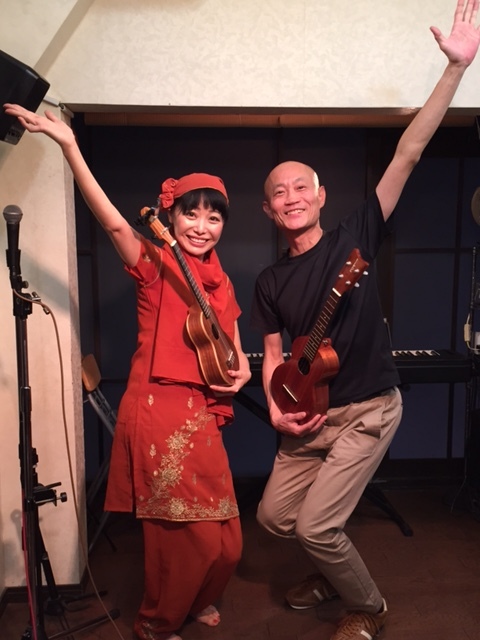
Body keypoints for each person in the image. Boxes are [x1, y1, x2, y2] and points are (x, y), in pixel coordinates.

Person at [250, 1, 480, 639]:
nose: (291, 197)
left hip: (367, 411)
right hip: (305, 415)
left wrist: (455, 70)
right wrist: (275, 409)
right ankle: (330, 569)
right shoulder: (268, 280)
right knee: (274, 520)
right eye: (279, 193)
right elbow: (274, 352)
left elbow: (409, 151)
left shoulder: (354, 237)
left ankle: (369, 607)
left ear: (321, 196)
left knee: (317, 525)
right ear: (269, 211)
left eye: (302, 187)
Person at [3, 103, 252, 640]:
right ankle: (155, 622)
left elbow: (232, 339)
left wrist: (244, 371)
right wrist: (69, 145)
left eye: (213, 217)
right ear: (172, 216)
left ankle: (195, 599)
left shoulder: (222, 280)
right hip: (159, 410)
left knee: (227, 540)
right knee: (178, 535)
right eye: (191, 214)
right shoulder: (154, 264)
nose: (202, 226)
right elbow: (113, 220)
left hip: (203, 411)